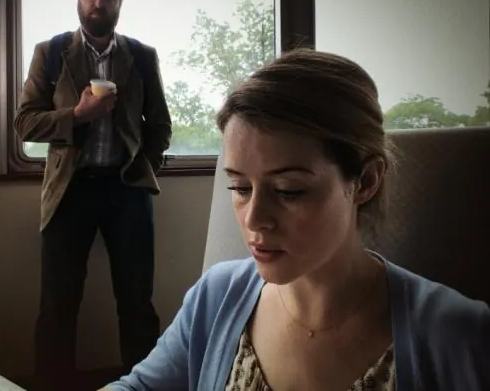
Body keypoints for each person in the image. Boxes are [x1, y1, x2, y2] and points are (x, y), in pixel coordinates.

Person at [101, 49, 490, 391]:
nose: (255, 219)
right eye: (240, 187)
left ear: (366, 181)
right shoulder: (215, 298)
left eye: (289, 190)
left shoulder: (458, 335)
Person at [14, 0, 172, 389]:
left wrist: (143, 165)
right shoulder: (50, 53)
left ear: (121, 1)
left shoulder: (142, 56)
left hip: (127, 189)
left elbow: (159, 125)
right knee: (57, 307)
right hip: (70, 191)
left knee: (137, 305)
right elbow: (25, 123)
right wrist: (78, 114)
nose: (98, 3)